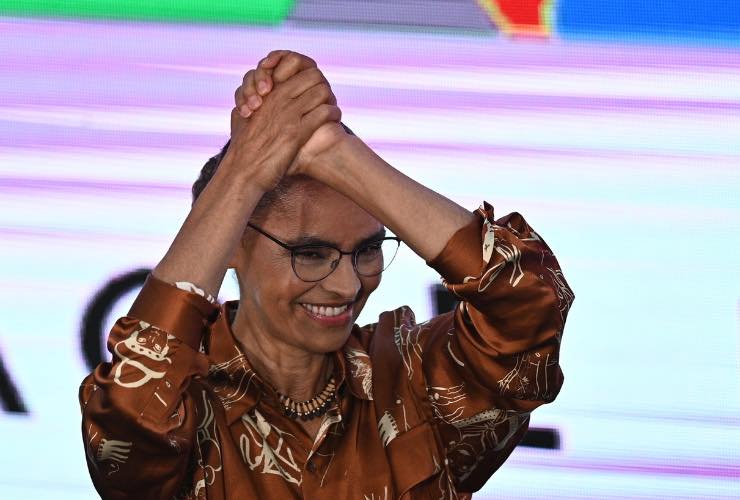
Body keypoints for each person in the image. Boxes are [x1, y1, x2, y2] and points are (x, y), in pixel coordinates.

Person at [79, 50, 574, 499]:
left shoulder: (414, 380)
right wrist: (244, 171)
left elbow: (531, 309)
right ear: (231, 244)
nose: (348, 285)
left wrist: (332, 150)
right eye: (311, 254)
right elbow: (129, 419)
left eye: (368, 250)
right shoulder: (183, 405)